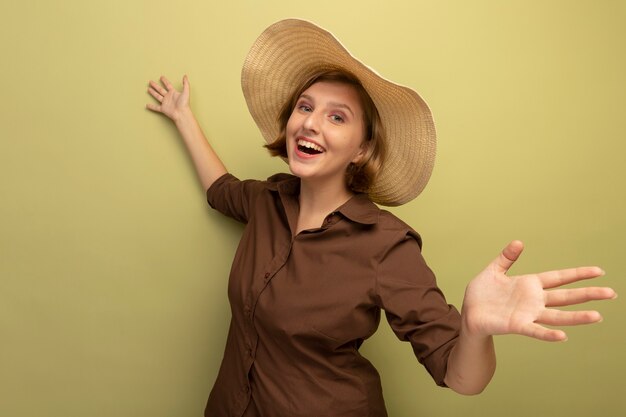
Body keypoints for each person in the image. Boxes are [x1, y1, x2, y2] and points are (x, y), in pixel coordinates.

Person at [146, 19, 616, 417]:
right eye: (304, 108)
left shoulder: (386, 246)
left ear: (362, 148)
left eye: (337, 117)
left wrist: (474, 329)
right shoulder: (266, 201)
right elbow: (219, 189)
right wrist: (183, 117)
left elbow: (460, 377)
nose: (309, 123)